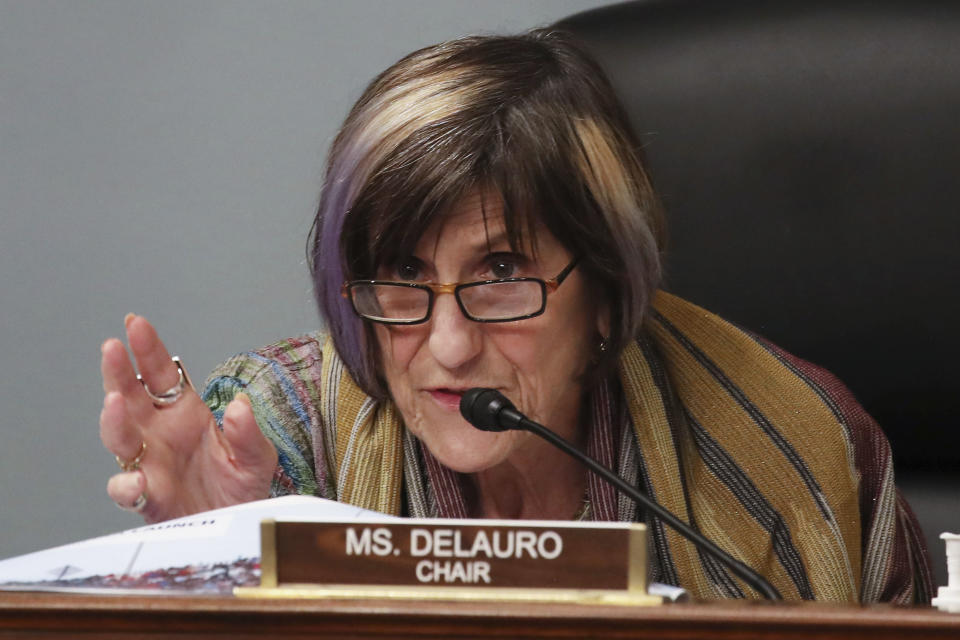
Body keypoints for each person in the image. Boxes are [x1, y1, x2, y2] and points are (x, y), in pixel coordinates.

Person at [99, 29, 931, 603]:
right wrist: (207, 562)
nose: (449, 347)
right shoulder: (276, 438)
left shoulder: (795, 445)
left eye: (501, 272)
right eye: (402, 275)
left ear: (604, 292)